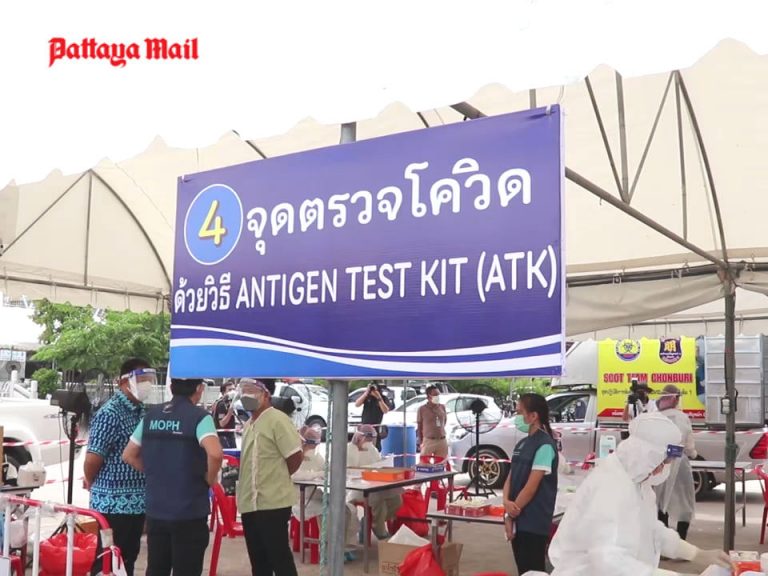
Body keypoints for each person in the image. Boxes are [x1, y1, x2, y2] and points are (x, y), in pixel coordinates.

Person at [548, 412, 732, 576]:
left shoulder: (638, 482)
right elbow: (608, 561)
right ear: (645, 456)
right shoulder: (611, 486)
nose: (662, 469)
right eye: (662, 462)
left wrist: (696, 554)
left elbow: (651, 530)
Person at [122, 378, 223, 576]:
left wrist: (156, 472)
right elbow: (215, 454)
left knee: (156, 568)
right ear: (199, 388)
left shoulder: (151, 416)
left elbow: (128, 455)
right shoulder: (200, 418)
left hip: (156, 511)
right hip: (189, 512)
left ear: (171, 387)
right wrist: (209, 479)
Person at [84, 358, 153, 576]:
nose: (146, 384)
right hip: (113, 504)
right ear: (123, 381)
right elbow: (93, 458)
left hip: (136, 502)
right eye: (141, 379)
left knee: (128, 559)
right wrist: (91, 480)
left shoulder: (141, 411)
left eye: (148, 379)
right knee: (108, 560)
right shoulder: (110, 413)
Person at [237, 378, 303, 576]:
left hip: (273, 502)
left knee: (279, 558)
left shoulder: (277, 420)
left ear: (266, 394)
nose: (246, 395)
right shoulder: (249, 424)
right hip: (250, 502)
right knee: (258, 561)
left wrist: (277, 477)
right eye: (243, 390)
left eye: (251, 390)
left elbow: (294, 456)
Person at [502, 393, 559, 575]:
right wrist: (506, 504)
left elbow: (531, 487)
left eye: (519, 412)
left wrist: (512, 511)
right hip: (518, 518)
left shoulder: (544, 445)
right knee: (522, 569)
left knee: (533, 570)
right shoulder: (522, 444)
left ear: (533, 416)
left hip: (534, 521)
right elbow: (510, 477)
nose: (516, 417)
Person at [656, 384, 697, 540]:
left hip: (660, 464)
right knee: (684, 503)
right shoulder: (682, 417)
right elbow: (689, 447)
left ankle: (663, 541)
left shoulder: (657, 417)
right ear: (676, 399)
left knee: (661, 503)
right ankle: (680, 541)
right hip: (680, 465)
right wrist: (693, 454)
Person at [347, 424, 402, 540]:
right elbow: (349, 472)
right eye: (368, 438)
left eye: (372, 438)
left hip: (375, 485)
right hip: (356, 488)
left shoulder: (372, 449)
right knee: (378, 500)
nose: (370, 441)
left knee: (397, 498)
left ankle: (370, 521)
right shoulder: (349, 450)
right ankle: (379, 530)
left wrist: (385, 462)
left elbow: (379, 465)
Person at [356, 380, 394, 450]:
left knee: (375, 448)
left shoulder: (383, 398)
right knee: (363, 448)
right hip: (365, 427)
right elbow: (357, 404)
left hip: (375, 428)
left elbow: (385, 410)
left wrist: (378, 397)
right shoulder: (367, 397)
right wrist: (366, 393)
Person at [417, 384, 448, 459]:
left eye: (438, 395)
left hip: (441, 440)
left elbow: (444, 422)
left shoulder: (442, 407)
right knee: (424, 462)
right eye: (435, 395)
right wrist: (421, 442)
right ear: (428, 396)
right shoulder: (422, 409)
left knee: (441, 463)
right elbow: (419, 426)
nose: (437, 397)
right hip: (428, 440)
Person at [212, 380, 237, 449]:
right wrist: (230, 411)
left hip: (229, 436)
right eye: (230, 390)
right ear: (224, 392)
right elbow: (222, 423)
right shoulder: (222, 404)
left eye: (234, 389)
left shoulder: (228, 403)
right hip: (224, 438)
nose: (233, 392)